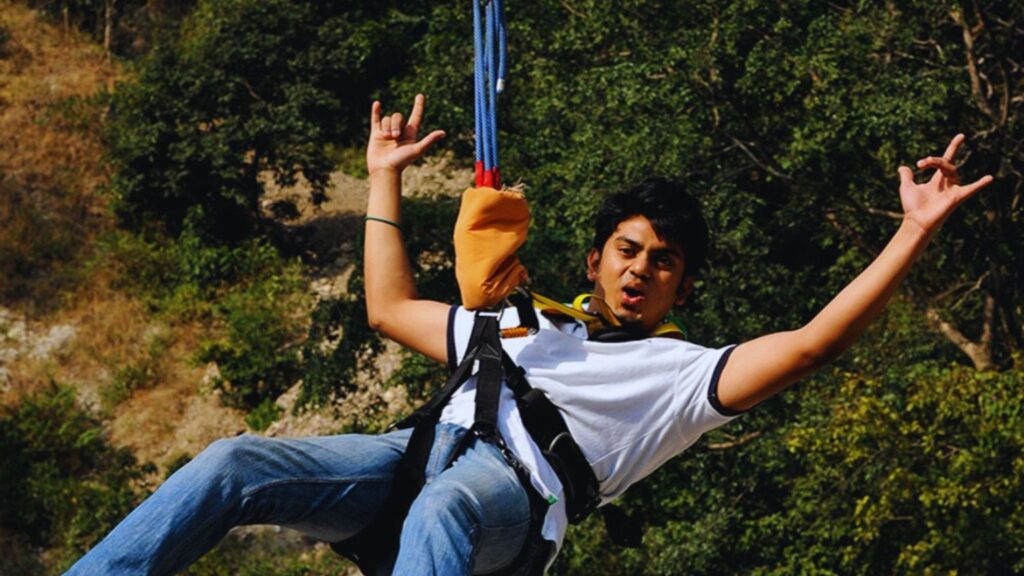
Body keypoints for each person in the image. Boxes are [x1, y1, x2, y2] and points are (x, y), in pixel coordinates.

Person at [67, 94, 993, 575]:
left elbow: (811, 344)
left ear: (682, 285)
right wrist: (383, 177)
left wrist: (910, 231)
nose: (640, 269)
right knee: (234, 462)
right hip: (409, 457)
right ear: (593, 260)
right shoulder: (523, 322)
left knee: (447, 507)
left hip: (508, 506)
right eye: (627, 251)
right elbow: (389, 311)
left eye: (662, 262)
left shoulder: (680, 374)